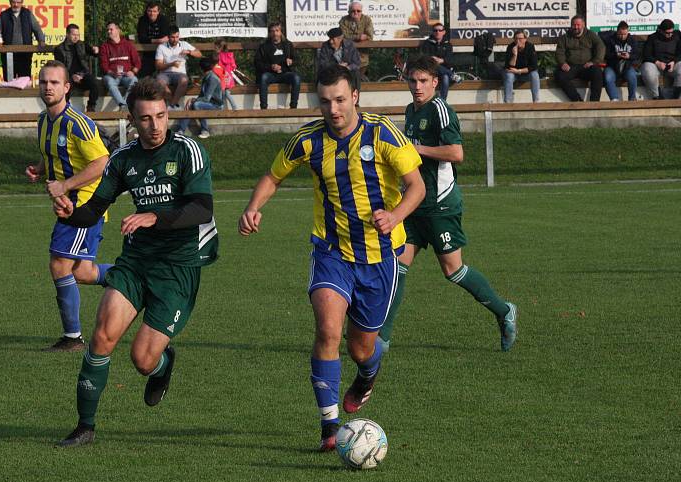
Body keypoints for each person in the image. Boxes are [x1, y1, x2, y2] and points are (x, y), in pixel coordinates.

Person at [238, 65, 426, 452]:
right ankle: (329, 428)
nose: (333, 109)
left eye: (340, 100)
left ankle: (367, 376)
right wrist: (253, 206)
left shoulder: (383, 133)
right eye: (325, 101)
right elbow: (273, 176)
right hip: (331, 252)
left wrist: (394, 216)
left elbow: (416, 186)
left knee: (361, 348)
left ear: (355, 95)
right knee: (327, 331)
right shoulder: (308, 140)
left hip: (379, 257)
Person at [51, 77, 219, 447]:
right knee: (102, 335)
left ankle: (162, 364)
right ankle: (85, 426)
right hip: (137, 260)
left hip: (177, 266)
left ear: (167, 113)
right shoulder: (124, 159)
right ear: (132, 118)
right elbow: (95, 208)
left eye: (160, 116)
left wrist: (155, 217)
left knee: (142, 360)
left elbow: (201, 208)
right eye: (145, 119)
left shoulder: (187, 151)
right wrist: (69, 212)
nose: (155, 125)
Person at [378, 56, 517, 355]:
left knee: (453, 270)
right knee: (397, 267)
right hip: (413, 204)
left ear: (435, 82)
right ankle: (382, 339)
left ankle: (504, 310)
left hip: (441, 204)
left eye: (423, 81)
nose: (417, 87)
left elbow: (456, 153)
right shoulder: (410, 110)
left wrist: (417, 149)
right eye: (413, 81)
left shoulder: (441, 110)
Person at [24, 60, 111, 352]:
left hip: (82, 205)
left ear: (67, 88)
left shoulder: (78, 122)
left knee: (59, 264)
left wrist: (65, 186)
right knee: (82, 272)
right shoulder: (42, 120)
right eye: (44, 82)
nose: (48, 87)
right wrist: (39, 169)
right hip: (68, 203)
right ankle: (136, 274)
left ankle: (72, 338)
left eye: (54, 83)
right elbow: (53, 156)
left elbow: (102, 162)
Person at [554, 15, 605, 102]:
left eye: (578, 25)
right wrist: (562, 63)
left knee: (597, 72)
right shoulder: (565, 37)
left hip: (586, 66)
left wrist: (594, 62)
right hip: (571, 67)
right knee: (559, 75)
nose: (576, 27)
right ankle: (577, 100)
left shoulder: (590, 34)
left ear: (583, 25)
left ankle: (594, 102)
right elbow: (559, 51)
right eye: (574, 25)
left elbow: (601, 47)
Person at [0, 0, 46, 81]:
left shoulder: (28, 14)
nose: (16, 5)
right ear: (10, 2)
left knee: (24, 81)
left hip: (25, 55)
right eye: (14, 2)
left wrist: (41, 40)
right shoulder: (4, 15)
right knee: (9, 82)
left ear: (22, 2)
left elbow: (37, 29)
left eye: (18, 2)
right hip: (8, 55)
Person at [254, 22, 300, 110]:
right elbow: (257, 63)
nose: (275, 33)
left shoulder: (288, 45)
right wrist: (271, 67)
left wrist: (291, 62)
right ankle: (263, 108)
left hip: (285, 73)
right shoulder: (264, 46)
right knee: (263, 77)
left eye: (277, 30)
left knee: (296, 78)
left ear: (281, 32)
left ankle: (293, 107)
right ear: (269, 33)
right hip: (270, 74)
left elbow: (297, 60)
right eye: (272, 31)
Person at [54, 24, 99, 112]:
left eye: (78, 35)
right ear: (67, 34)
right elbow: (61, 68)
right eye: (74, 35)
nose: (76, 37)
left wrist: (96, 50)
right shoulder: (59, 49)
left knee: (94, 83)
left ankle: (91, 107)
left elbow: (94, 53)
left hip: (83, 74)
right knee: (65, 86)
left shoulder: (82, 45)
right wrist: (72, 76)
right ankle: (63, 110)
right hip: (69, 75)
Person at [173, 57, 222, 138]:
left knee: (197, 104)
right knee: (193, 104)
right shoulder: (206, 77)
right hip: (208, 103)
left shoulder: (212, 78)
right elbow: (202, 95)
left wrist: (193, 100)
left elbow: (206, 98)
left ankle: (205, 130)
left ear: (201, 68)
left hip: (216, 105)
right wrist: (192, 101)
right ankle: (181, 130)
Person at [155, 26, 201, 110]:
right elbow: (158, 65)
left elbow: (199, 54)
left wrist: (189, 52)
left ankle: (172, 104)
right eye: (172, 37)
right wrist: (171, 64)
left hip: (180, 74)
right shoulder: (161, 47)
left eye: (177, 37)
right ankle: (174, 103)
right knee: (159, 82)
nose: (175, 39)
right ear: (168, 37)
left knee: (184, 80)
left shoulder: (184, 44)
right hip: (165, 73)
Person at [99, 21, 141, 112]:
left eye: (111, 29)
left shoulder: (128, 45)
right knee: (109, 81)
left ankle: (124, 105)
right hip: (112, 76)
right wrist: (112, 73)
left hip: (126, 75)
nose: (109, 31)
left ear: (118, 30)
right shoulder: (104, 46)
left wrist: (133, 72)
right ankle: (122, 104)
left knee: (134, 80)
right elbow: (103, 65)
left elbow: (137, 62)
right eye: (108, 30)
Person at [417, 22, 460, 100]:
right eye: (435, 30)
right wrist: (432, 59)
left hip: (444, 70)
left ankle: (442, 101)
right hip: (431, 69)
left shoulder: (448, 44)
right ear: (433, 32)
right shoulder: (427, 43)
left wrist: (442, 60)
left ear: (444, 32)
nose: (437, 32)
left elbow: (451, 59)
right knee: (435, 65)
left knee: (445, 77)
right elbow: (423, 57)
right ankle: (452, 75)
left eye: (440, 30)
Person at [640, 19, 681, 99]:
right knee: (648, 70)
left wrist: (674, 61)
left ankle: (676, 96)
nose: (670, 35)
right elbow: (646, 54)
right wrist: (657, 62)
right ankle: (657, 96)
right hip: (656, 65)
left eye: (671, 32)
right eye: (667, 33)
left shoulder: (677, 36)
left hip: (672, 64)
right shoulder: (652, 37)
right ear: (661, 31)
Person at [603, 21, 638, 102]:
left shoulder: (632, 40)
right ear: (617, 31)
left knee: (632, 77)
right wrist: (616, 55)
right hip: (612, 66)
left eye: (624, 34)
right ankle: (614, 99)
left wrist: (629, 56)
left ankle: (632, 98)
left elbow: (637, 55)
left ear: (628, 32)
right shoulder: (610, 40)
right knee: (608, 77)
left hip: (627, 66)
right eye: (620, 34)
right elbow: (605, 55)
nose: (622, 36)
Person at [339, 2, 374, 81]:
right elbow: (343, 36)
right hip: (348, 56)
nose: (356, 13)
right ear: (349, 11)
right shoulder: (344, 20)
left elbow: (369, 36)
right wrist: (358, 37)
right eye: (353, 11)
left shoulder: (367, 20)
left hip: (362, 56)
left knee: (359, 78)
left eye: (358, 11)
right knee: (348, 78)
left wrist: (351, 37)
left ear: (361, 11)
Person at [502, 30, 539, 103]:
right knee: (509, 76)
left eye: (520, 39)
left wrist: (519, 71)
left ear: (525, 39)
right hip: (513, 74)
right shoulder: (510, 47)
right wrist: (515, 55)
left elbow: (534, 66)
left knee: (535, 75)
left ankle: (536, 101)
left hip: (525, 74)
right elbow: (509, 67)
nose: (518, 41)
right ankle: (507, 102)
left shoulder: (530, 47)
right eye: (516, 38)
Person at [136, 1, 170, 77]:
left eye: (154, 11)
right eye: (149, 11)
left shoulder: (163, 20)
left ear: (158, 12)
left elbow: (165, 37)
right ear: (146, 11)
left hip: (162, 52)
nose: (152, 13)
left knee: (165, 73)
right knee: (143, 75)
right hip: (146, 52)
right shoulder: (142, 20)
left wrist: (150, 40)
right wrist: (158, 40)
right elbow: (141, 38)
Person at [212, 39, 237, 109]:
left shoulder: (218, 56)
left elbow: (215, 65)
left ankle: (222, 108)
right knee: (225, 93)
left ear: (219, 47)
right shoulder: (229, 55)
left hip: (222, 76)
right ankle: (232, 107)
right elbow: (233, 66)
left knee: (222, 93)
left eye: (215, 47)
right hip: (228, 76)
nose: (214, 49)